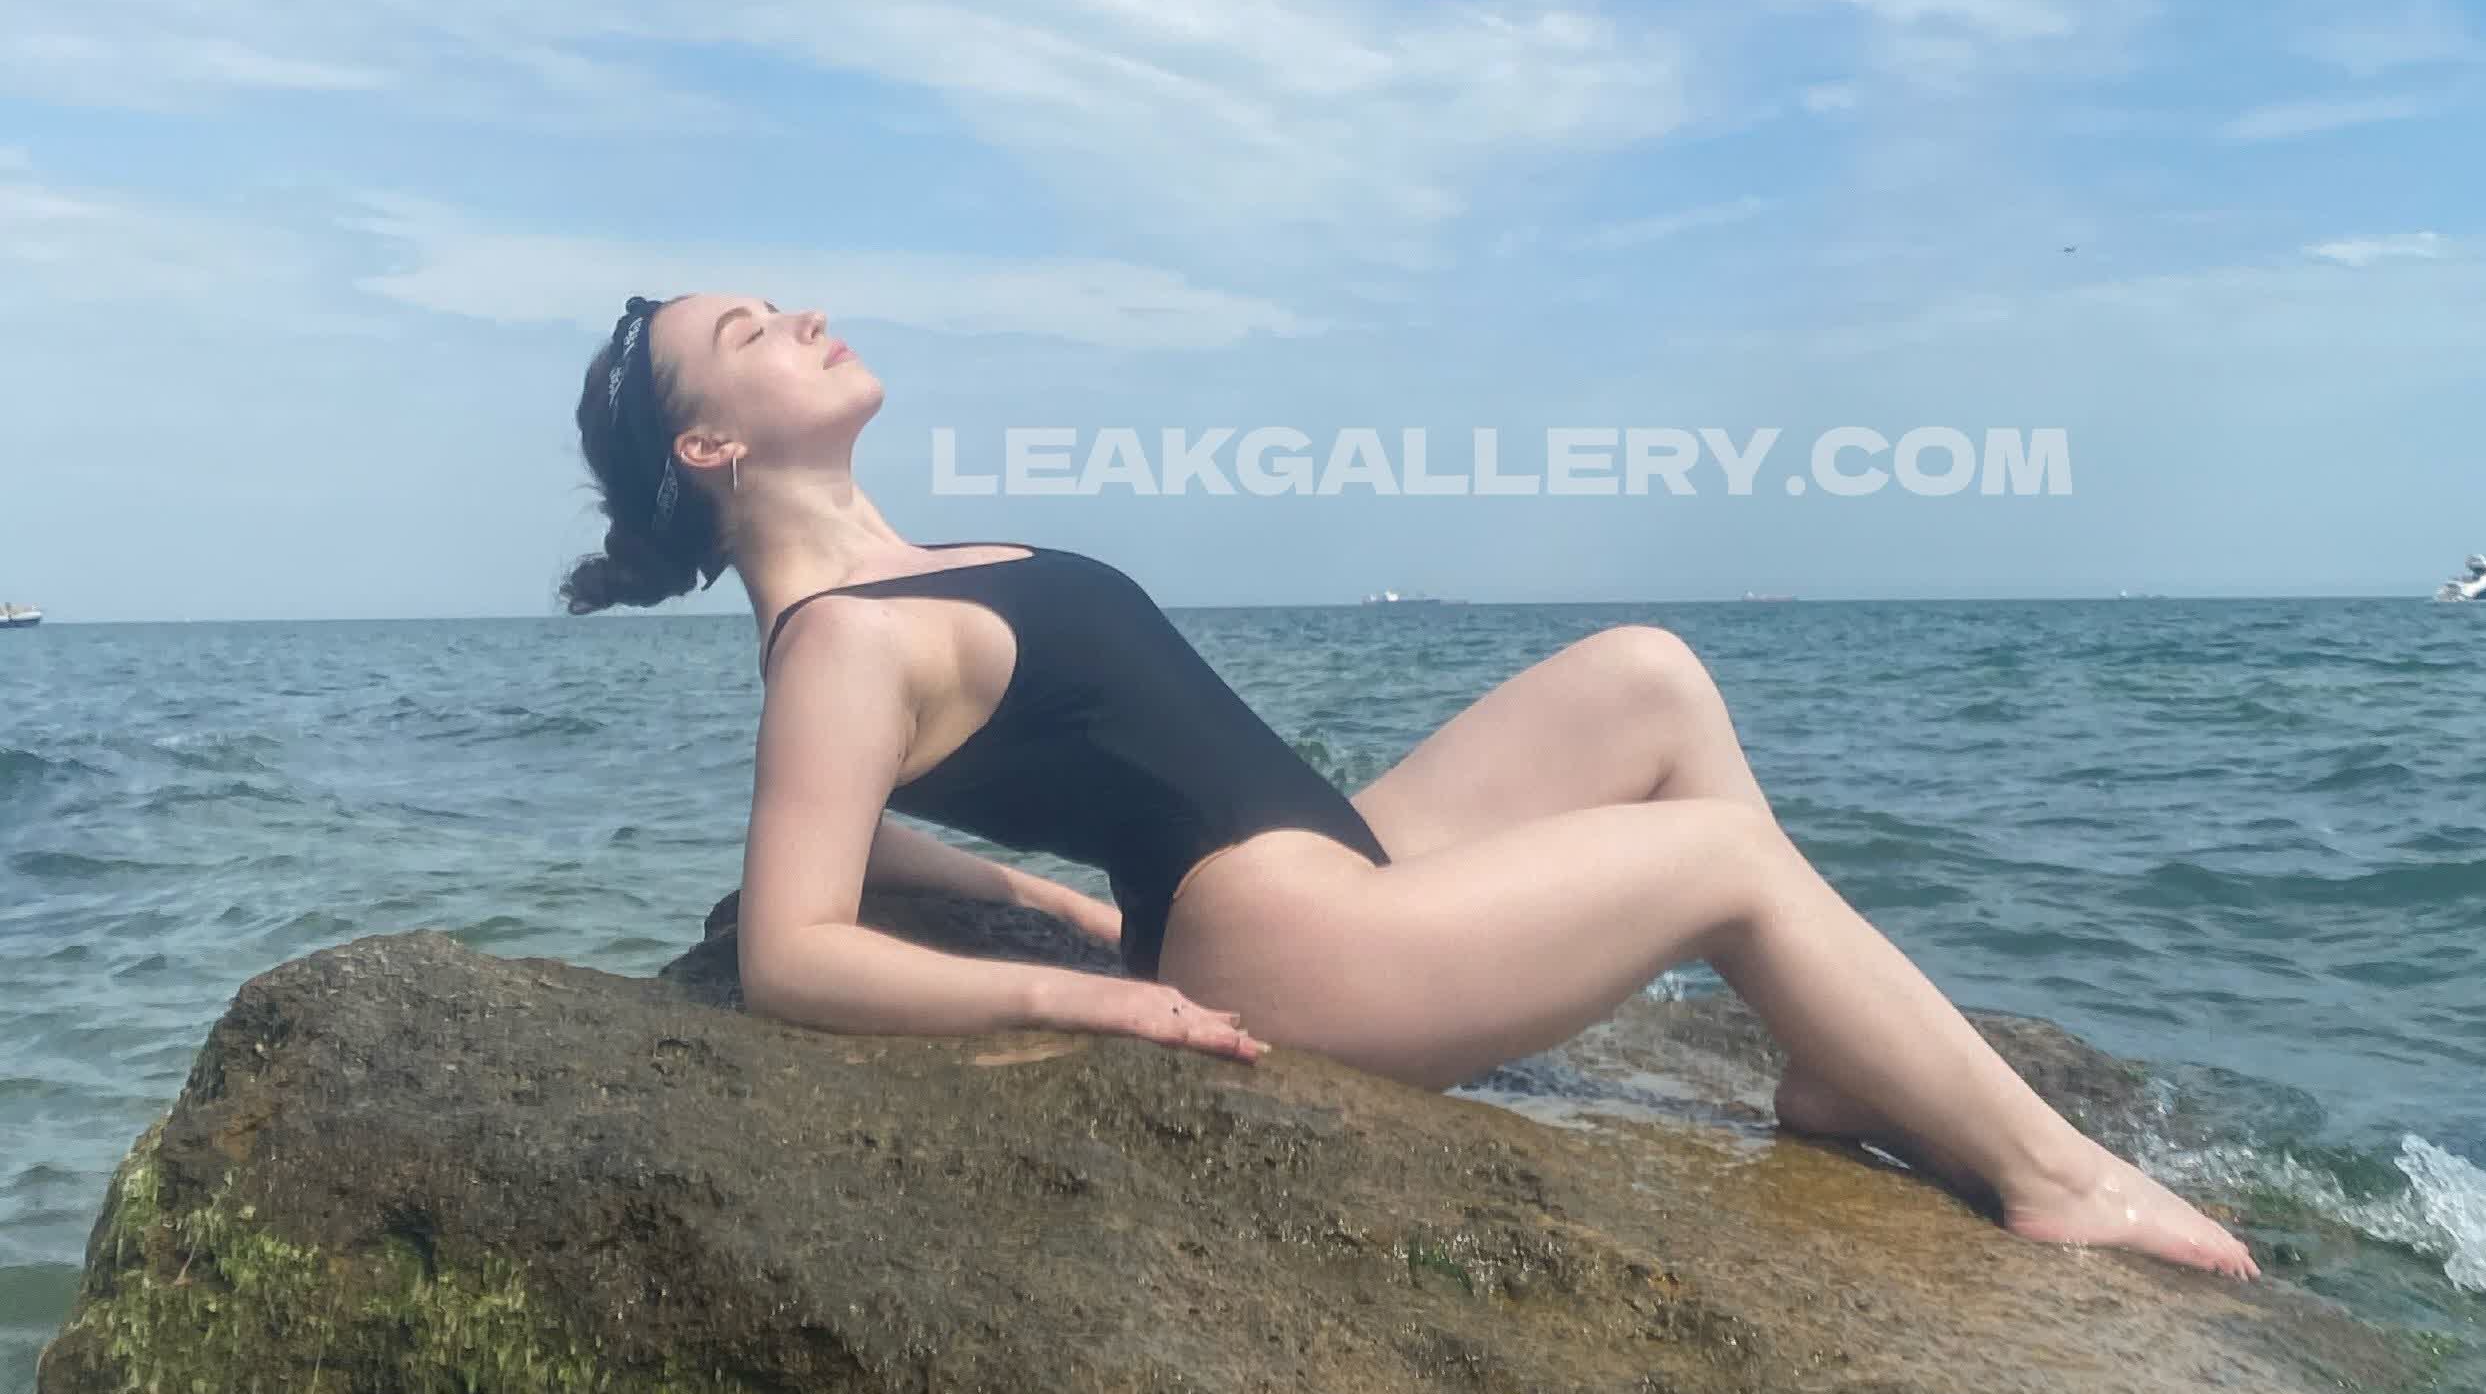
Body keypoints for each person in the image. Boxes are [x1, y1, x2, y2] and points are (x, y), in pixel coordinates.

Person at [561, 291, 2256, 1279]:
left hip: (1328, 861)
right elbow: (792, 947)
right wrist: (1094, 999)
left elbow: (847, 844)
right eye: (749, 332)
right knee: (1721, 862)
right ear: (710, 449)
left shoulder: (905, 576)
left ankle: (1830, 1065)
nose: (800, 316)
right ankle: (2056, 1185)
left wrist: (1046, 903)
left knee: (1648, 675)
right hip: (1290, 949)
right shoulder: (840, 642)